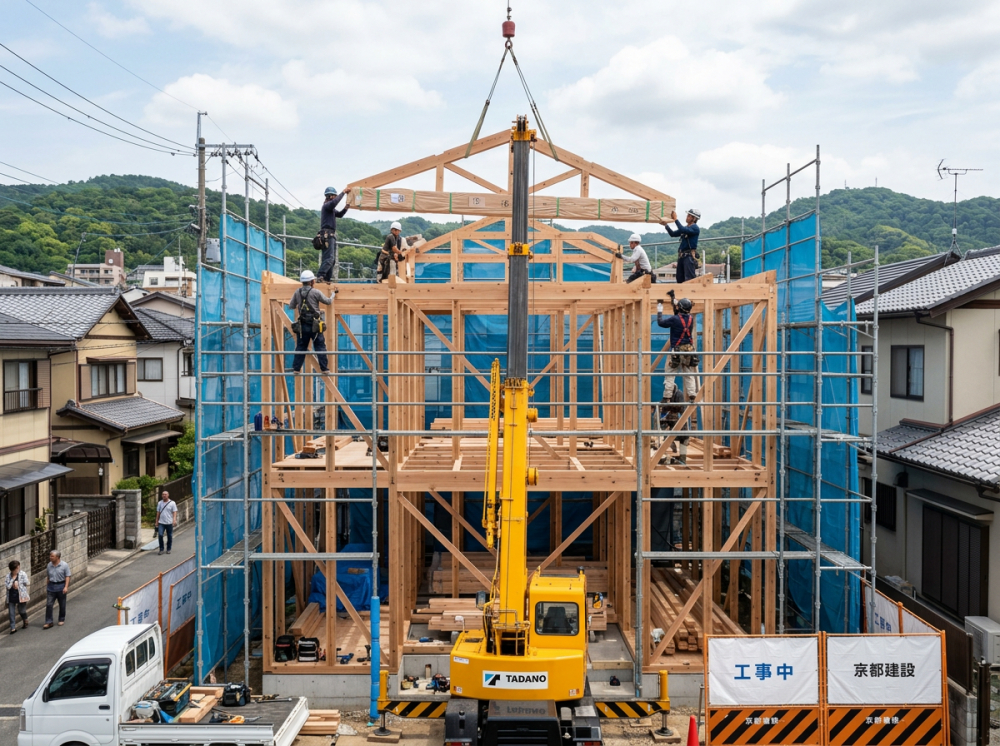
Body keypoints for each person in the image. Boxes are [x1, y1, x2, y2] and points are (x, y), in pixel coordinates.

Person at [656, 292, 699, 403]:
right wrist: (674, 300)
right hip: (688, 350)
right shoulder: (690, 318)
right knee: (688, 373)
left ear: (680, 308)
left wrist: (659, 310)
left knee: (670, 373)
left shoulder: (675, 319)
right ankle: (692, 394)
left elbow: (661, 323)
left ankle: (667, 396)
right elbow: (679, 315)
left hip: (677, 350)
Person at [289, 270, 334, 373]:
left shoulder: (297, 292)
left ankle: (296, 369)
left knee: (301, 347)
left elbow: (291, 306)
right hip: (315, 325)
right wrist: (333, 295)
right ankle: (324, 369)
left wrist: (299, 302)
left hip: (302, 325)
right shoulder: (315, 292)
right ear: (311, 281)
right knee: (320, 346)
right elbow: (328, 301)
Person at [660, 209, 701, 283]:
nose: (687, 217)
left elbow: (682, 229)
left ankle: (689, 294)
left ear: (694, 218)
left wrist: (675, 219)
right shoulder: (687, 228)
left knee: (689, 279)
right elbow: (672, 234)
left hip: (688, 257)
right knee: (679, 278)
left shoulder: (695, 228)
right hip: (682, 257)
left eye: (689, 216)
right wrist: (666, 225)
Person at [318, 186, 350, 282]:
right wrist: (343, 192)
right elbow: (334, 203)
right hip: (327, 234)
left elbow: (340, 214)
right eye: (334, 196)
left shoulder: (330, 209)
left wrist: (346, 208)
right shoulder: (327, 206)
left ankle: (327, 278)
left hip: (330, 235)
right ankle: (320, 276)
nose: (335, 198)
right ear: (330, 196)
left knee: (331, 259)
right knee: (329, 258)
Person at [44, 549, 70, 629]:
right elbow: (48, 576)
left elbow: (67, 576)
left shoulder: (64, 565)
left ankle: (61, 618)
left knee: (62, 604)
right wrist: (47, 585)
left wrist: (66, 587)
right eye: (50, 556)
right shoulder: (49, 565)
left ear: (57, 557)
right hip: (51, 586)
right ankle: (49, 621)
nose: (50, 557)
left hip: (61, 586)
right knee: (49, 604)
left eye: (52, 556)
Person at [6, 559, 29, 634]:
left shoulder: (22, 574)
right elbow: (8, 587)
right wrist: (12, 580)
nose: (18, 568)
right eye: (17, 567)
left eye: (18, 567)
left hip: (21, 596)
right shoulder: (8, 576)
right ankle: (13, 628)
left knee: (21, 611)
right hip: (11, 596)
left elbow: (27, 583)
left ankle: (25, 620)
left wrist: (18, 585)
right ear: (13, 569)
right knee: (11, 613)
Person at [156, 490, 178, 555]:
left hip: (169, 522)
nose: (164, 495)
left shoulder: (172, 503)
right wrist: (156, 521)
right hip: (161, 522)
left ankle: (168, 548)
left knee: (169, 536)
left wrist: (174, 520)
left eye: (165, 494)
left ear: (168, 495)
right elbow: (158, 512)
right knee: (160, 535)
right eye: (163, 494)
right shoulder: (160, 503)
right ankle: (161, 549)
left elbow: (174, 512)